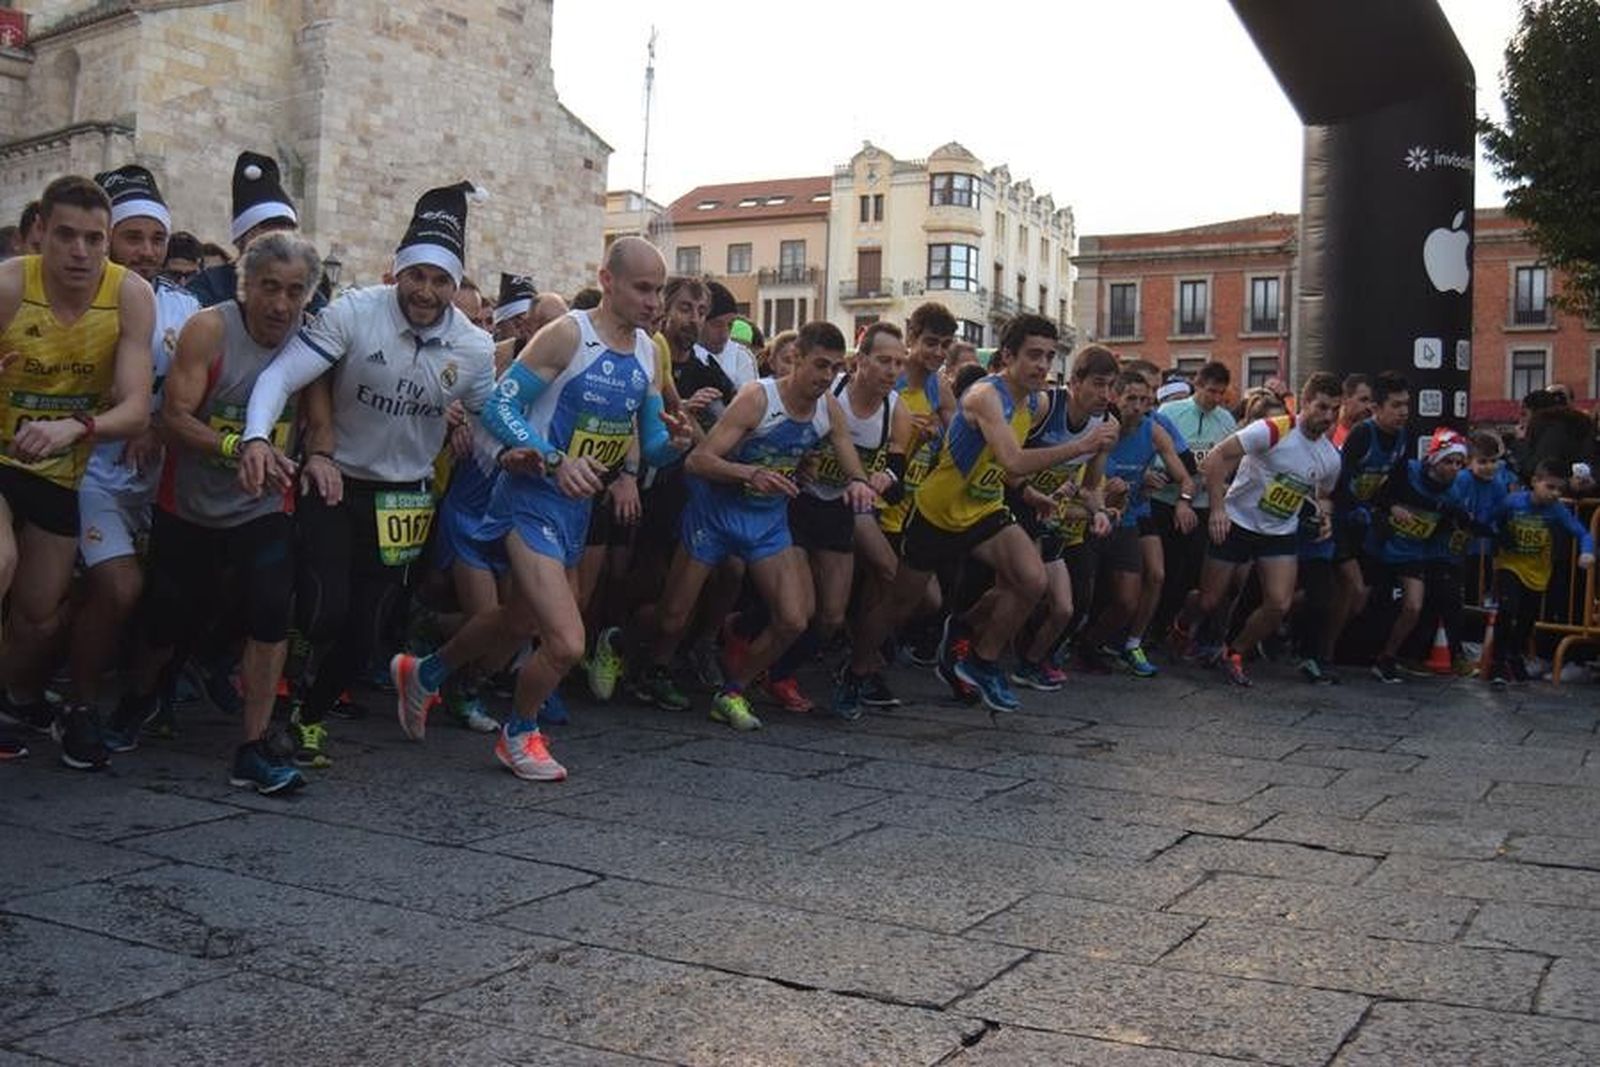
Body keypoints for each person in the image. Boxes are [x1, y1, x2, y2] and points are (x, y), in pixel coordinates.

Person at [391, 235, 692, 779]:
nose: (654, 302)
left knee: (517, 619)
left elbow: (649, 446)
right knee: (566, 641)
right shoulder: (567, 335)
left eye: (660, 291)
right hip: (529, 501)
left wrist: (678, 442)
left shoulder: (649, 352)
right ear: (607, 280)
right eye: (643, 288)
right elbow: (500, 405)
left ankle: (426, 673)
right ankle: (520, 732)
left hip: (575, 510)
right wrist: (554, 461)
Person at [237, 180, 495, 770]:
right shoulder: (355, 312)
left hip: (405, 497)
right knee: (325, 608)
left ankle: (309, 719)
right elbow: (280, 377)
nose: (426, 292)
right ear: (396, 273)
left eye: (441, 280)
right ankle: (281, 692)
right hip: (335, 479)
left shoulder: (475, 348)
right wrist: (256, 435)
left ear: (456, 286)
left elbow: (493, 421)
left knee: (366, 630)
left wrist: (521, 456)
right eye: (417, 276)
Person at [111, 232, 321, 793]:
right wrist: (238, 447)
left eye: (295, 292)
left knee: (273, 610)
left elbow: (319, 420)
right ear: (245, 284)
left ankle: (251, 746)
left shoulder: (310, 340)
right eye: (270, 288)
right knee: (166, 618)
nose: (280, 305)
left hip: (264, 505)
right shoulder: (210, 328)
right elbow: (174, 417)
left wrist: (320, 456)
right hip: (192, 503)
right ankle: (140, 699)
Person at [841, 314, 1101, 715]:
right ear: (1008, 356)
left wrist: (1029, 493)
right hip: (936, 513)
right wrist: (1083, 444)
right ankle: (856, 671)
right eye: (1033, 355)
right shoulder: (984, 396)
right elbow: (1013, 459)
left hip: (984, 509)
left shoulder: (1031, 401)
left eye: (1049, 357)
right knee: (899, 604)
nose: (1042, 366)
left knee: (1032, 580)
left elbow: (1003, 470)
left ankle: (977, 657)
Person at [638, 320, 875, 730]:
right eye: (820, 365)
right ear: (795, 359)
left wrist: (858, 482)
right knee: (673, 619)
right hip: (714, 514)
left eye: (836, 369)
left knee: (794, 619)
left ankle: (733, 690)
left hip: (766, 521)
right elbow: (699, 460)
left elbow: (845, 449)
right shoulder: (756, 398)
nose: (826, 377)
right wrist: (750, 474)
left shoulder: (827, 407)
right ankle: (629, 646)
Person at [0, 176, 155, 767]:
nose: (80, 252)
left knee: (39, 619)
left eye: (95, 239)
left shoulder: (129, 295)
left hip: (60, 466)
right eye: (66, 235)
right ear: (39, 230)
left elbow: (137, 408)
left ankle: (17, 696)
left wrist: (76, 428)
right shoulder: (11, 284)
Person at [68, 166, 202, 723]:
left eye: (156, 239)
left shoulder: (187, 311)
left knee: (164, 596)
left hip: (160, 481)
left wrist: (160, 427)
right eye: (132, 237)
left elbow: (197, 397)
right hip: (91, 475)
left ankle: (139, 696)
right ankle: (77, 703)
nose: (147, 251)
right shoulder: (76, 302)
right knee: (118, 589)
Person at [763, 321, 911, 714]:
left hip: (842, 506)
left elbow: (899, 481)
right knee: (801, 606)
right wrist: (800, 463)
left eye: (899, 363)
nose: (892, 371)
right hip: (797, 501)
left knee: (831, 615)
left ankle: (853, 661)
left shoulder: (897, 409)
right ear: (859, 361)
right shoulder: (831, 392)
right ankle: (772, 668)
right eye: (883, 361)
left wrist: (885, 477)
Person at [1174, 373, 1343, 687]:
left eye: (1335, 409)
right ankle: (1181, 623)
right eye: (1322, 407)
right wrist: (1218, 510)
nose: (1329, 416)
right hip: (1236, 520)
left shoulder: (1331, 457)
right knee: (1209, 600)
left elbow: (1322, 495)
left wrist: (1325, 515)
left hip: (1279, 531)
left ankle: (1233, 652)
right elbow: (1215, 458)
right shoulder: (1273, 430)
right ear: (1305, 403)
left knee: (1279, 604)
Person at [1007, 345, 1118, 688]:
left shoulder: (1107, 424)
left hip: (1048, 514)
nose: (1106, 394)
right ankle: (968, 642)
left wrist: (1098, 510)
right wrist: (1031, 493)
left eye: (1111, 386)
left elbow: (1089, 485)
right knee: (1015, 591)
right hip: (1011, 504)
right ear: (1074, 382)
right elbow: (1006, 463)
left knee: (1064, 609)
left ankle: (1029, 663)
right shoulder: (1043, 405)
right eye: (1098, 384)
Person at [1073, 369, 1196, 676]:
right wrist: (1104, 490)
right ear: (1115, 397)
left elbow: (1185, 475)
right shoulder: (1101, 428)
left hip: (1130, 518)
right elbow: (1081, 479)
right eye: (1132, 399)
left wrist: (1183, 501)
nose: (1138, 407)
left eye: (1145, 400)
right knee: (1081, 593)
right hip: (1087, 517)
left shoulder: (1153, 430)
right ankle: (1065, 641)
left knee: (1133, 595)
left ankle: (1106, 642)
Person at [1366, 428, 1472, 683]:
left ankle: (1387, 657)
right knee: (1363, 598)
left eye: (1459, 463)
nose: (1454, 468)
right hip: (1382, 544)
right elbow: (1376, 495)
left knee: (1413, 605)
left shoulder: (1455, 492)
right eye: (1448, 461)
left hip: (1412, 551)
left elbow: (1452, 523)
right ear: (1434, 458)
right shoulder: (1407, 471)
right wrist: (1393, 508)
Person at [1150, 360, 1235, 648]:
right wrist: (1180, 480)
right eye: (1211, 391)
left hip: (1202, 506)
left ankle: (1182, 630)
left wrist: (1221, 486)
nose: (1216, 399)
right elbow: (1155, 454)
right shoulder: (1171, 412)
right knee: (1166, 571)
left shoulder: (1226, 420)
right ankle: (1155, 628)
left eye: (1221, 393)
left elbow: (1230, 463)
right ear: (1196, 386)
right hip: (1165, 500)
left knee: (1195, 572)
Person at [1488, 461, 1594, 687]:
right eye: (1550, 487)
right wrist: (1498, 537)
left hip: (1537, 571)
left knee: (1528, 617)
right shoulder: (1513, 502)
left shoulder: (1556, 510)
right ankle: (1498, 663)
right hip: (1510, 565)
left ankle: (1515, 654)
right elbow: (1491, 520)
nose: (1555, 494)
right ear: (1535, 482)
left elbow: (1582, 532)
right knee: (1507, 609)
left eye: (1559, 489)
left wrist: (1586, 553)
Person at [188, 152, 306, 310]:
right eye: (267, 231)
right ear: (241, 240)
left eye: (287, 233)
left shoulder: (305, 291)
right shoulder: (208, 287)